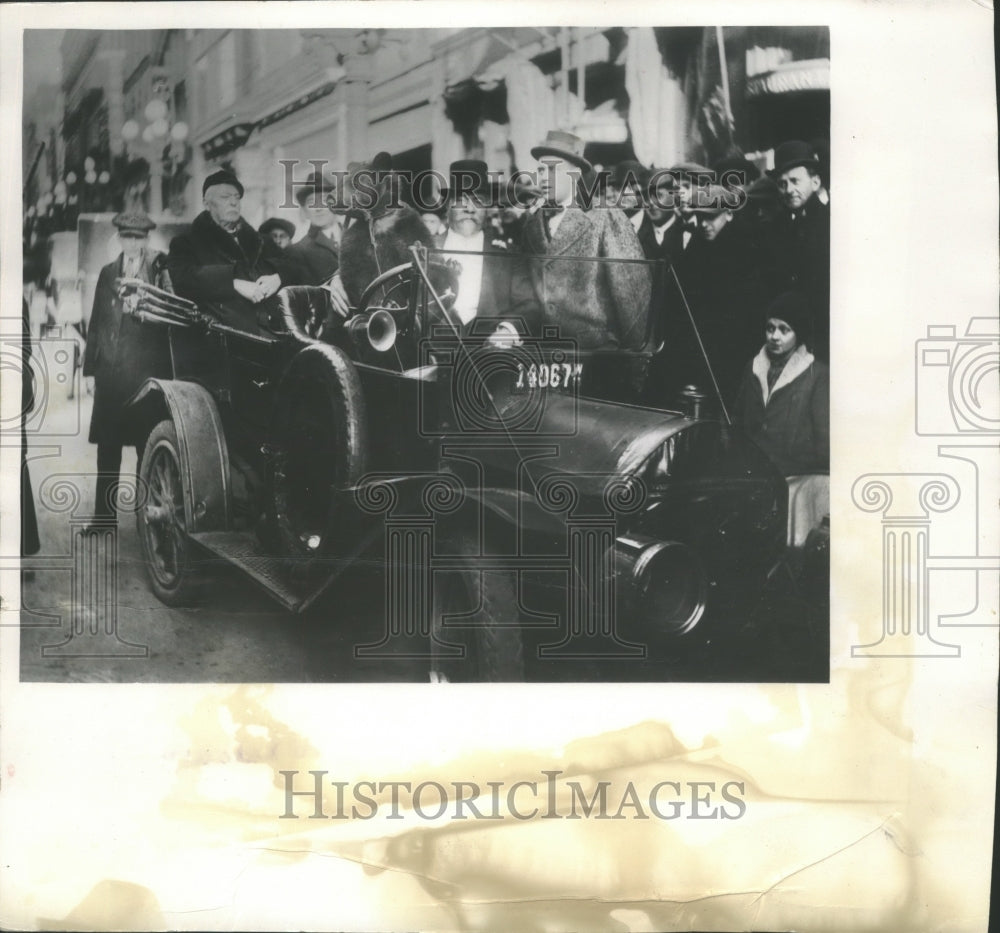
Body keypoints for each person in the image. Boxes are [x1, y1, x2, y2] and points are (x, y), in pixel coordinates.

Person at [519, 131, 652, 353]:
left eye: (553, 169)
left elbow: (632, 296)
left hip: (595, 354)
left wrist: (634, 359)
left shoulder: (605, 216)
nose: (544, 178)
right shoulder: (531, 225)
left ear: (575, 174)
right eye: (541, 170)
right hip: (545, 353)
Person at [83, 210, 174, 524]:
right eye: (127, 237)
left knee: (144, 447)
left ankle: (144, 521)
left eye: (138, 238)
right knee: (107, 450)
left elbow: (171, 307)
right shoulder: (108, 272)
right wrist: (90, 371)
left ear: (146, 239)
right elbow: (96, 323)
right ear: (119, 238)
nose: (132, 243)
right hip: (110, 375)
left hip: (145, 375)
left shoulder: (159, 269)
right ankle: (103, 519)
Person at [735, 292, 829, 547]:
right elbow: (738, 422)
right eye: (770, 328)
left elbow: (824, 445)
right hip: (751, 479)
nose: (774, 336)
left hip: (795, 482)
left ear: (798, 334)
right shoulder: (753, 368)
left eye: (784, 330)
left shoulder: (817, 375)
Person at [168, 170, 282, 333]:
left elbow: (293, 265)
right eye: (225, 197)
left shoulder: (261, 241)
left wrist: (278, 277)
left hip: (275, 331)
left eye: (237, 197)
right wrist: (233, 283)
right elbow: (183, 280)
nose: (234, 202)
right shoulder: (186, 243)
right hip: (225, 337)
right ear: (206, 204)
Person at [327, 152, 435, 316]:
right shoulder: (353, 235)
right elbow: (348, 282)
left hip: (408, 319)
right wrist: (336, 279)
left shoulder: (409, 222)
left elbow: (432, 276)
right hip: (363, 321)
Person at [759, 140, 830, 358]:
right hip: (783, 339)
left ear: (815, 182)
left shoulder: (830, 223)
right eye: (782, 184)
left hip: (820, 335)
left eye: (795, 181)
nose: (789, 190)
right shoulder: (774, 227)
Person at [282, 171, 343, 286]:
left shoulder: (359, 237)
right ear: (305, 211)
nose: (318, 208)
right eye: (311, 202)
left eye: (324, 200)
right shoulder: (298, 251)